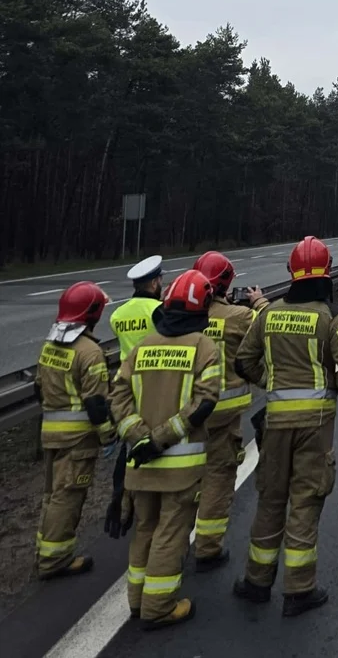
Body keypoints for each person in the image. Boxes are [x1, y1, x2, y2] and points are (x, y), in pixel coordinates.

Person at [232, 236, 338, 617]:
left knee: (271, 499)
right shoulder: (329, 316)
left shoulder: (269, 314)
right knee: (305, 501)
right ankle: (299, 590)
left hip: (274, 423)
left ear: (291, 273)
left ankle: (256, 582)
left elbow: (244, 361)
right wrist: (330, 385)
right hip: (315, 424)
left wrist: (269, 383)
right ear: (327, 272)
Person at [109, 269, 222, 630]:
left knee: (145, 528)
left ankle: (137, 601)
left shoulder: (142, 347)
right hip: (179, 466)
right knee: (171, 532)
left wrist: (139, 437)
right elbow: (204, 403)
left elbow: (118, 399)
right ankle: (159, 607)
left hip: (139, 464)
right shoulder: (204, 347)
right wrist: (160, 438)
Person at [34, 282, 118, 580]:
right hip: (78, 438)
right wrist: (108, 435)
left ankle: (44, 550)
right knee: (68, 497)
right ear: (92, 313)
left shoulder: (49, 344)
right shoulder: (90, 352)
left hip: (51, 434)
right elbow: (96, 403)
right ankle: (55, 561)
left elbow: (38, 387)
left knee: (52, 494)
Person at [190, 251, 268, 572]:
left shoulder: (178, 317)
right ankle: (208, 547)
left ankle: (168, 546)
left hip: (184, 415)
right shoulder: (239, 316)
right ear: (225, 284)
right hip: (222, 417)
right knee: (219, 477)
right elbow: (270, 328)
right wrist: (259, 301)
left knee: (184, 478)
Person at [110, 255, 164, 362]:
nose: (161, 284)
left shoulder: (117, 314)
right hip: (152, 373)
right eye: (160, 281)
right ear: (154, 284)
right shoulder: (160, 310)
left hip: (126, 374)